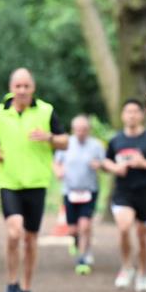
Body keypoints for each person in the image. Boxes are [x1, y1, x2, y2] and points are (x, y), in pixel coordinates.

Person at [0, 68, 68, 292]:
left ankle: (26, 290)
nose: (22, 90)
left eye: (26, 86)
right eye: (18, 86)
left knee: (30, 239)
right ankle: (11, 284)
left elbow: (65, 141)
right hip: (8, 181)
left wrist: (49, 137)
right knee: (13, 232)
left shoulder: (46, 111)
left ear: (33, 88)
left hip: (36, 182)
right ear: (11, 88)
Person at [101, 99, 146, 292]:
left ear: (141, 115)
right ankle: (126, 267)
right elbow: (105, 161)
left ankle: (143, 273)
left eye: (135, 112)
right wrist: (115, 168)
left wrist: (143, 163)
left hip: (145, 193)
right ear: (123, 115)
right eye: (127, 111)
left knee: (142, 237)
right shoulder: (116, 140)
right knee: (124, 228)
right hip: (123, 192)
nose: (131, 115)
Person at [53, 115, 105, 275]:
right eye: (78, 129)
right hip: (70, 191)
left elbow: (105, 164)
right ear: (73, 129)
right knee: (72, 229)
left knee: (85, 225)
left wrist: (99, 165)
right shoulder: (66, 144)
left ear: (89, 130)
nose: (81, 132)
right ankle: (76, 242)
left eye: (84, 129)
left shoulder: (96, 145)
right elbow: (56, 162)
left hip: (89, 190)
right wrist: (58, 171)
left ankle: (82, 259)